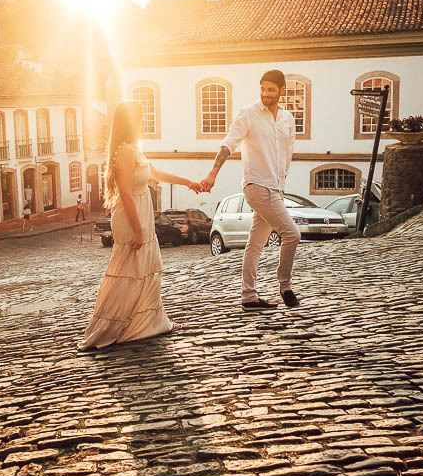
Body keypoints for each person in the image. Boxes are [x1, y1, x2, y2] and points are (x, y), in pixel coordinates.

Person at [79, 101, 202, 350]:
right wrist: (137, 229)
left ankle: (147, 322)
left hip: (141, 213)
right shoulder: (124, 151)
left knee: (143, 269)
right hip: (131, 215)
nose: (144, 122)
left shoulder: (135, 149)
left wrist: (188, 182)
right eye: (141, 118)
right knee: (128, 272)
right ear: (131, 122)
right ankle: (114, 326)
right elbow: (125, 192)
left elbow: (156, 173)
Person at [200, 69, 300, 311]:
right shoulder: (248, 114)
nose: (265, 94)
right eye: (262, 88)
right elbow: (229, 143)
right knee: (292, 234)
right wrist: (213, 172)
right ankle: (285, 285)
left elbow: (287, 154)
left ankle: (249, 296)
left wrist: (282, 181)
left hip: (275, 187)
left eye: (271, 89)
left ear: (282, 91)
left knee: (255, 244)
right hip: (256, 185)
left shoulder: (287, 119)